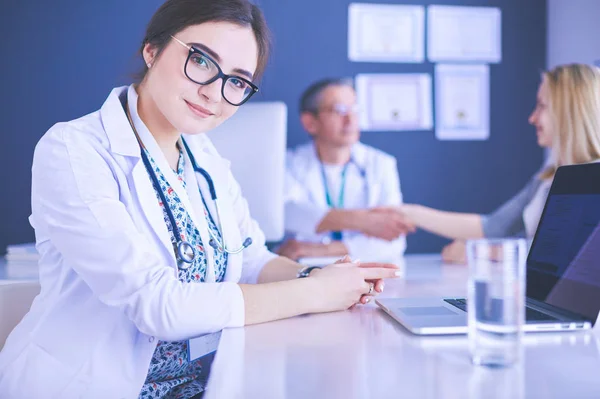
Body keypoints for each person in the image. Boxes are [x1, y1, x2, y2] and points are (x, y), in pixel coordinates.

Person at [0, 1, 401, 397]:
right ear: (152, 49)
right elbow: (156, 304)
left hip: (204, 383)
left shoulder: (203, 155)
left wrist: (321, 277)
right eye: (202, 61)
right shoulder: (74, 150)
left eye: (238, 82)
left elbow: (250, 258)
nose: (214, 94)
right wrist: (313, 293)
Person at [397, 63, 600, 264]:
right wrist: (410, 213)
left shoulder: (593, 179)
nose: (532, 118)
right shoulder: (549, 175)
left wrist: (483, 251)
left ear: (570, 113)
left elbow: (569, 250)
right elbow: (493, 227)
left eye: (542, 106)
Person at [278, 78, 413, 262]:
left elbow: (393, 239)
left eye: (354, 109)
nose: (350, 119)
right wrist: (366, 221)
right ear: (310, 122)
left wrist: (318, 250)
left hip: (365, 274)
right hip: (303, 274)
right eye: (339, 110)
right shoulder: (288, 163)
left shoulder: (380, 164)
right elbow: (288, 214)